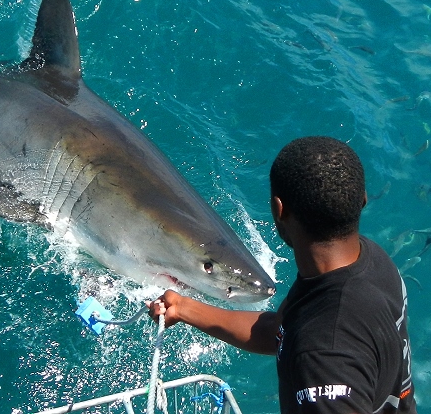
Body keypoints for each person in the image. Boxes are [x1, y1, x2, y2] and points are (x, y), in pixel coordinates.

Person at [148, 136, 415, 413]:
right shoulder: (369, 262)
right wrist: (184, 308)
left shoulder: (323, 355)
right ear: (361, 201)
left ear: (278, 209)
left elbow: (317, 340)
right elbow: (281, 331)